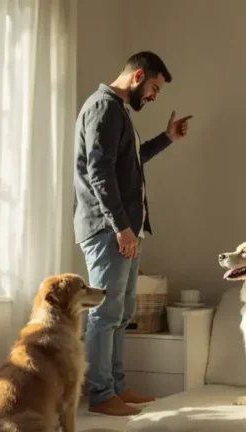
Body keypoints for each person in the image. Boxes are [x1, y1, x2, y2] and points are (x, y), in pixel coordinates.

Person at [73, 51, 192, 416]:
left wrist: (167, 138)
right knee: (105, 313)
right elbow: (99, 174)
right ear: (138, 76)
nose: (154, 96)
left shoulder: (118, 112)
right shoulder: (104, 108)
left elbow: (131, 161)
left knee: (122, 313)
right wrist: (121, 228)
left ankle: (117, 388)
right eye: (155, 87)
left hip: (124, 231)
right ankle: (101, 394)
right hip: (108, 230)